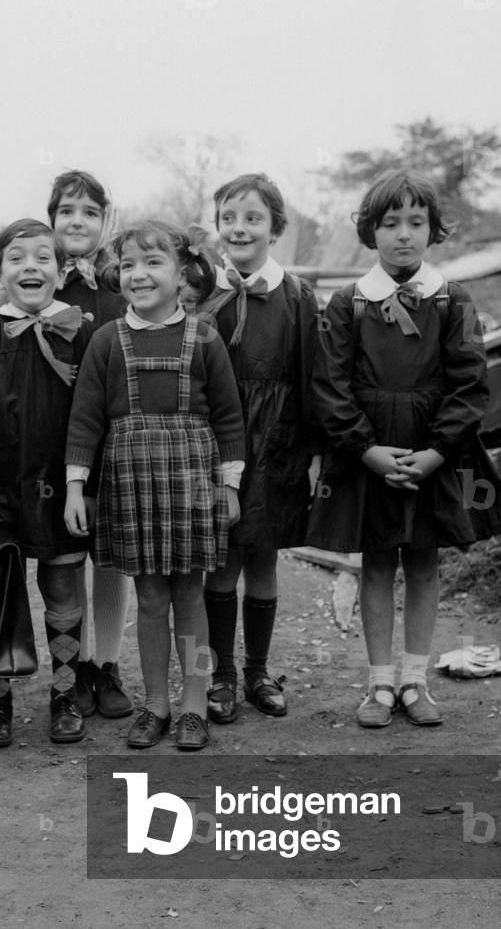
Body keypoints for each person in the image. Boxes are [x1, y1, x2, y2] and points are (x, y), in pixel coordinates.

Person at [305, 169, 501, 729]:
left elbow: (470, 383)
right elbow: (331, 385)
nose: (403, 235)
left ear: (432, 230)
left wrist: (439, 451)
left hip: (432, 449)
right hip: (369, 451)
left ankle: (416, 681)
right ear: (371, 232)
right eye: (390, 223)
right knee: (375, 564)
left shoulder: (452, 300)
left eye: (415, 222)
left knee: (422, 563)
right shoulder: (349, 303)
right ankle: (379, 685)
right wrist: (365, 449)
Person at [64, 221, 245, 751]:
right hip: (131, 478)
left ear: (181, 271)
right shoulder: (105, 341)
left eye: (153, 263)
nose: (139, 275)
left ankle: (193, 705)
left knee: (190, 591)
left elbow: (231, 419)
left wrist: (229, 485)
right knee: (147, 596)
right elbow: (84, 421)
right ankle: (156, 704)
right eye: (128, 266)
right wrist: (76, 487)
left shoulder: (205, 338)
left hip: (191, 480)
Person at [0, 219, 95, 748]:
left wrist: (88, 484)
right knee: (0, 594)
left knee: (60, 585)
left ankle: (64, 691)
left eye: (42, 257)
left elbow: (96, 417)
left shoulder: (83, 333)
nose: (30, 266)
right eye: (16, 258)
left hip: (62, 487)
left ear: (60, 270)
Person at [198, 173, 321, 725]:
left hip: (277, 446)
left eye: (253, 218)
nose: (240, 228)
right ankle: (220, 672)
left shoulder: (296, 297)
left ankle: (257, 670)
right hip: (216, 444)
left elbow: (313, 378)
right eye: (229, 218)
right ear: (217, 226)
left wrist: (314, 453)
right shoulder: (204, 297)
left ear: (275, 228)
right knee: (221, 560)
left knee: (264, 557)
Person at [48, 170, 133, 720]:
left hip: (113, 443)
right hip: (54, 441)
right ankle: (69, 670)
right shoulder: (39, 283)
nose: (77, 221)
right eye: (67, 211)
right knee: (62, 560)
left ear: (105, 222)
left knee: (110, 559)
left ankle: (108, 664)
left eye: (89, 212)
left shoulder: (117, 287)